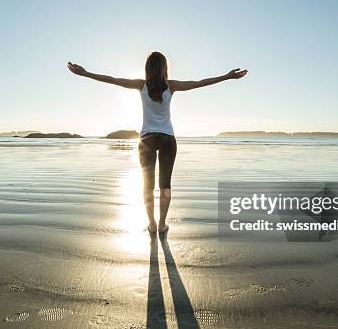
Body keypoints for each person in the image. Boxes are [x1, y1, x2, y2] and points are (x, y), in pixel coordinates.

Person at [68, 52, 247, 234]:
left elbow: (112, 79)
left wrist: (86, 73)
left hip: (147, 139)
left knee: (147, 185)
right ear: (164, 68)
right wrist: (227, 76)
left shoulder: (141, 85)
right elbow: (199, 83)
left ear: (148, 68)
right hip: (168, 139)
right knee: (165, 185)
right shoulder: (171, 86)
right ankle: (162, 224)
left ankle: (152, 225)